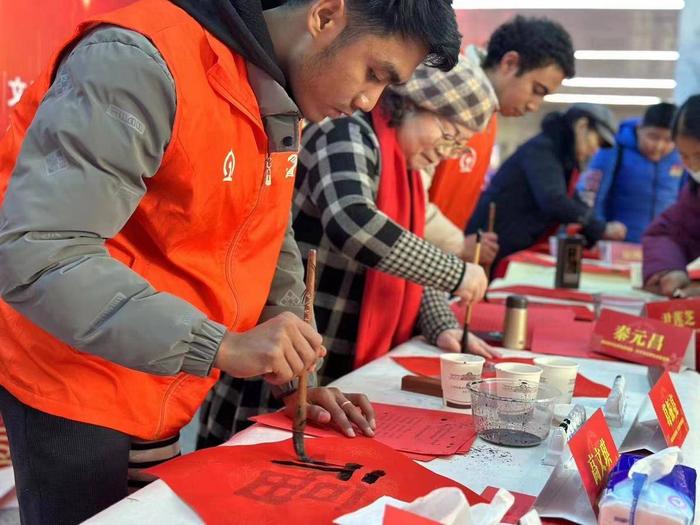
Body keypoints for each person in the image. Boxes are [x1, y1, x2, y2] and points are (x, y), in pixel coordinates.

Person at [0, 0, 461, 521]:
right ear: (326, 15)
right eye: (373, 73)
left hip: (164, 370)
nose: (367, 100)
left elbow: (263, 227)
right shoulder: (139, 61)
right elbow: (42, 253)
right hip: (73, 372)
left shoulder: (275, 94)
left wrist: (296, 375)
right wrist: (221, 343)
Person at [199, 55, 495, 446]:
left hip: (338, 356)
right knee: (251, 454)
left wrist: (444, 325)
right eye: (447, 133)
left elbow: (404, 254)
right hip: (286, 341)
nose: (447, 151)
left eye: (458, 145)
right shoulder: (346, 132)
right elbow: (353, 221)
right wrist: (457, 273)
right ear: (412, 103)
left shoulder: (403, 172)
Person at [424, 16, 576, 263]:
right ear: (510, 63)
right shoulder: (448, 91)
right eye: (536, 90)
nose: (534, 106)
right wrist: (458, 244)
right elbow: (407, 197)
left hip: (432, 262)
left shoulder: (488, 118)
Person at [467, 103, 628, 271]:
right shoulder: (543, 150)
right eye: (597, 141)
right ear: (582, 126)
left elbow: (570, 197)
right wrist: (599, 227)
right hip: (494, 243)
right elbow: (554, 200)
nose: (595, 151)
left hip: (511, 242)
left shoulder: (561, 156)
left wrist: (595, 226)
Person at [576, 102, 683, 243]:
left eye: (669, 140)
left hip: (663, 244)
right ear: (639, 128)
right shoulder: (613, 148)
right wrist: (599, 229)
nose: (659, 146)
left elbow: (685, 200)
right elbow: (592, 195)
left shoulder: (681, 156)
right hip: (617, 242)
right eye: (653, 137)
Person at [643, 95, 700, 298]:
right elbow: (666, 233)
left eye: (699, 155)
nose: (693, 166)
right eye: (684, 155)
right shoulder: (695, 192)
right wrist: (669, 269)